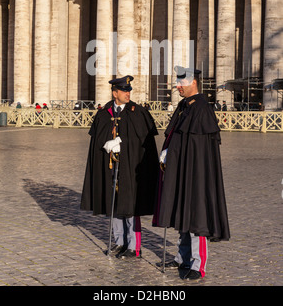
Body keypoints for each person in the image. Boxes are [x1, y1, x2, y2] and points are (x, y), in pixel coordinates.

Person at [153, 66, 230, 280]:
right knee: (182, 212)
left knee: (197, 217)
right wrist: (168, 152)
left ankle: (198, 264)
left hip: (197, 173)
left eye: (181, 83)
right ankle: (182, 258)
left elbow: (201, 147)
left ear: (193, 83)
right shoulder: (184, 105)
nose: (177, 87)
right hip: (181, 169)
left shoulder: (202, 108)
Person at [80, 75, 159, 259]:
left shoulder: (137, 112)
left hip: (132, 167)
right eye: (124, 91)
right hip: (110, 167)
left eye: (129, 90)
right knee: (113, 202)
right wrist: (106, 144)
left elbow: (143, 142)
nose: (127, 94)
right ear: (115, 93)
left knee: (130, 204)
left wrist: (122, 143)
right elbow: (97, 139)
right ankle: (119, 241)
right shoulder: (104, 112)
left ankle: (133, 245)